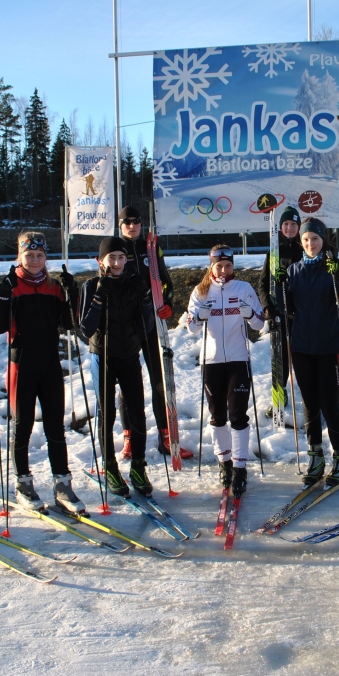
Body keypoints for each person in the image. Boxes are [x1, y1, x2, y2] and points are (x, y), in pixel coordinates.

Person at [0, 231, 86, 515]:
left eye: (39, 255)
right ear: (20, 256)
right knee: (23, 426)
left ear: (46, 258)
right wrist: (2, 294)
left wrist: (73, 293)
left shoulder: (52, 286)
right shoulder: (13, 285)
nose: (34, 260)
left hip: (50, 363)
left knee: (56, 427)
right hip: (22, 364)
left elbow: (69, 323)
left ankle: (63, 485)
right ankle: (23, 483)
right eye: (29, 255)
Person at [77, 236, 154, 498]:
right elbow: (85, 330)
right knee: (107, 413)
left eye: (122, 257)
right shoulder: (91, 285)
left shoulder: (133, 283)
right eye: (112, 258)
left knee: (137, 412)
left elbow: (148, 326)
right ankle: (110, 466)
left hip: (130, 355)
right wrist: (99, 296)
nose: (118, 262)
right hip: (103, 354)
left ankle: (139, 467)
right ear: (101, 261)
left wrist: (144, 296)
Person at [186, 245, 265, 496]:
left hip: (238, 360)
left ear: (233, 266)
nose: (223, 270)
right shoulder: (201, 291)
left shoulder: (243, 288)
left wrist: (250, 313)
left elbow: (260, 323)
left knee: (238, 415)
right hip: (212, 362)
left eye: (228, 265)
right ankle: (225, 463)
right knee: (217, 415)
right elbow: (191, 328)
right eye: (219, 265)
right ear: (211, 266)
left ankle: (240, 468)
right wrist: (199, 317)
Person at [115, 206, 192, 460]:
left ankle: (166, 436)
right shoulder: (116, 248)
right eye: (127, 222)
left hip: (149, 321)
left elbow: (166, 280)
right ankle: (129, 437)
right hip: (126, 325)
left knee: (159, 381)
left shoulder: (151, 247)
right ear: (120, 224)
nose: (132, 226)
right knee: (128, 384)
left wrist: (168, 302)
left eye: (136, 222)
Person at [285, 217, 339, 487]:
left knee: (329, 404)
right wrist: (278, 285)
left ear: (323, 240)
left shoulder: (336, 267)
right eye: (305, 240)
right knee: (309, 405)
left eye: (314, 239)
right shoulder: (293, 270)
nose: (310, 244)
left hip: (328, 345)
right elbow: (286, 307)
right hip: (302, 346)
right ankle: (316, 456)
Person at [257, 205, 304, 418]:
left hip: (303, 313)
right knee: (280, 361)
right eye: (285, 224)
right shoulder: (274, 250)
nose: (290, 228)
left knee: (304, 359)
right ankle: (278, 398)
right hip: (280, 314)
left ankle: (309, 398)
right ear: (280, 227)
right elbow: (263, 283)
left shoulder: (306, 248)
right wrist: (268, 307)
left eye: (293, 224)